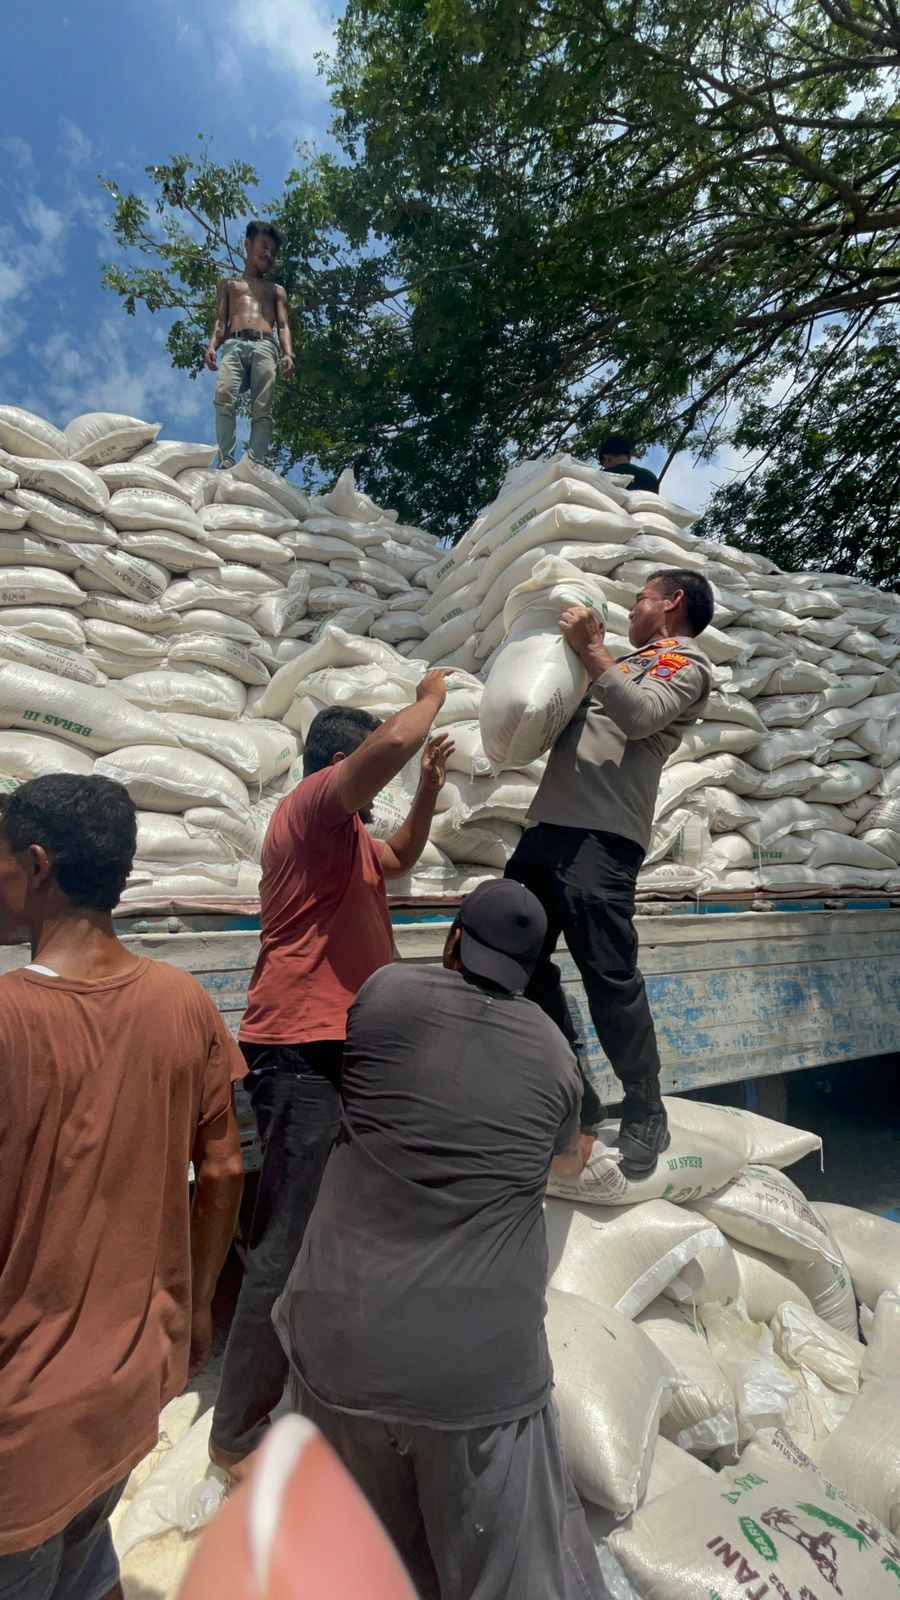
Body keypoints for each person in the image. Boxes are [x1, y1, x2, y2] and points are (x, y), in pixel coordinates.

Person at [273, 879, 607, 1600]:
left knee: (351, 1562)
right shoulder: (555, 1057)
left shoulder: (385, 996)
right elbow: (562, 1156)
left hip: (340, 1343)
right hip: (478, 1378)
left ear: (454, 939)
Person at [0, 775, 245, 1600]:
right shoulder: (183, 1002)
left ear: (37, 867)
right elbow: (222, 1168)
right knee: (86, 1549)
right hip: (132, 1379)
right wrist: (199, 1304)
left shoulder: (7, 1019)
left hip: (21, 1427)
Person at [209, 673, 454, 1474]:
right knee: (286, 1240)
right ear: (338, 765)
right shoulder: (313, 808)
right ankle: (236, 1433)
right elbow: (390, 739)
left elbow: (405, 855)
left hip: (346, 1047)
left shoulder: (349, 840)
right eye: (369, 776)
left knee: (350, 1224)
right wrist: (428, 695)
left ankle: (326, 1385)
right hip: (302, 1051)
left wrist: (427, 791)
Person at [506, 568, 714, 1177]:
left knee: (609, 978)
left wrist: (594, 652)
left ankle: (646, 1111)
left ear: (672, 603)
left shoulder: (684, 665)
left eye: (642, 597)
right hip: (546, 831)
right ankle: (578, 1096)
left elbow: (641, 716)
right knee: (515, 960)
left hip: (602, 839)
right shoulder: (619, 661)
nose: (631, 608)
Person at [205, 220, 294, 469]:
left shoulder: (276, 290)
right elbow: (220, 322)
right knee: (224, 396)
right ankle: (226, 460)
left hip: (266, 346)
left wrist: (289, 354)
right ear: (248, 244)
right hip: (233, 344)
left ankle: (255, 462)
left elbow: (283, 325)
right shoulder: (229, 285)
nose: (268, 254)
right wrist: (212, 346)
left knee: (262, 407)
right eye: (264, 246)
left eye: (273, 252)